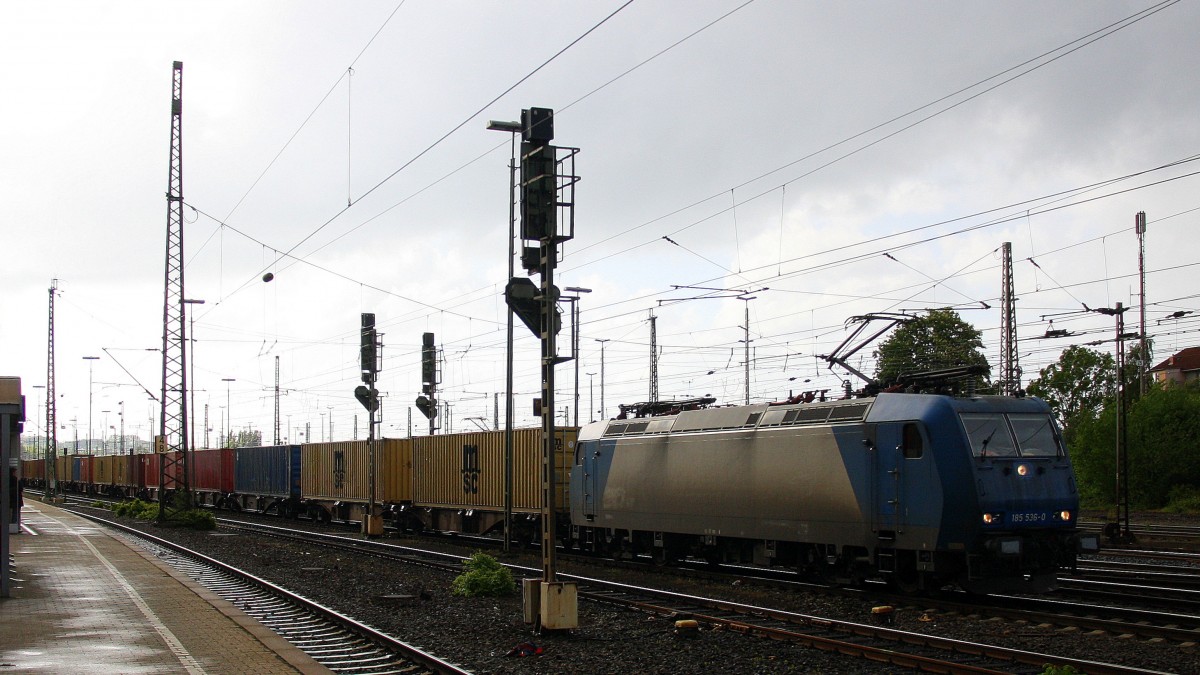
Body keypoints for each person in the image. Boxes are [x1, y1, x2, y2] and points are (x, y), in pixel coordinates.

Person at [8, 467, 21, 531]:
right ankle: (14, 525)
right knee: (15, 513)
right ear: (13, 472)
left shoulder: (7, 479)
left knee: (14, 512)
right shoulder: (15, 480)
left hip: (11, 499)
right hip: (15, 499)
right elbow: (20, 488)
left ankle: (13, 525)